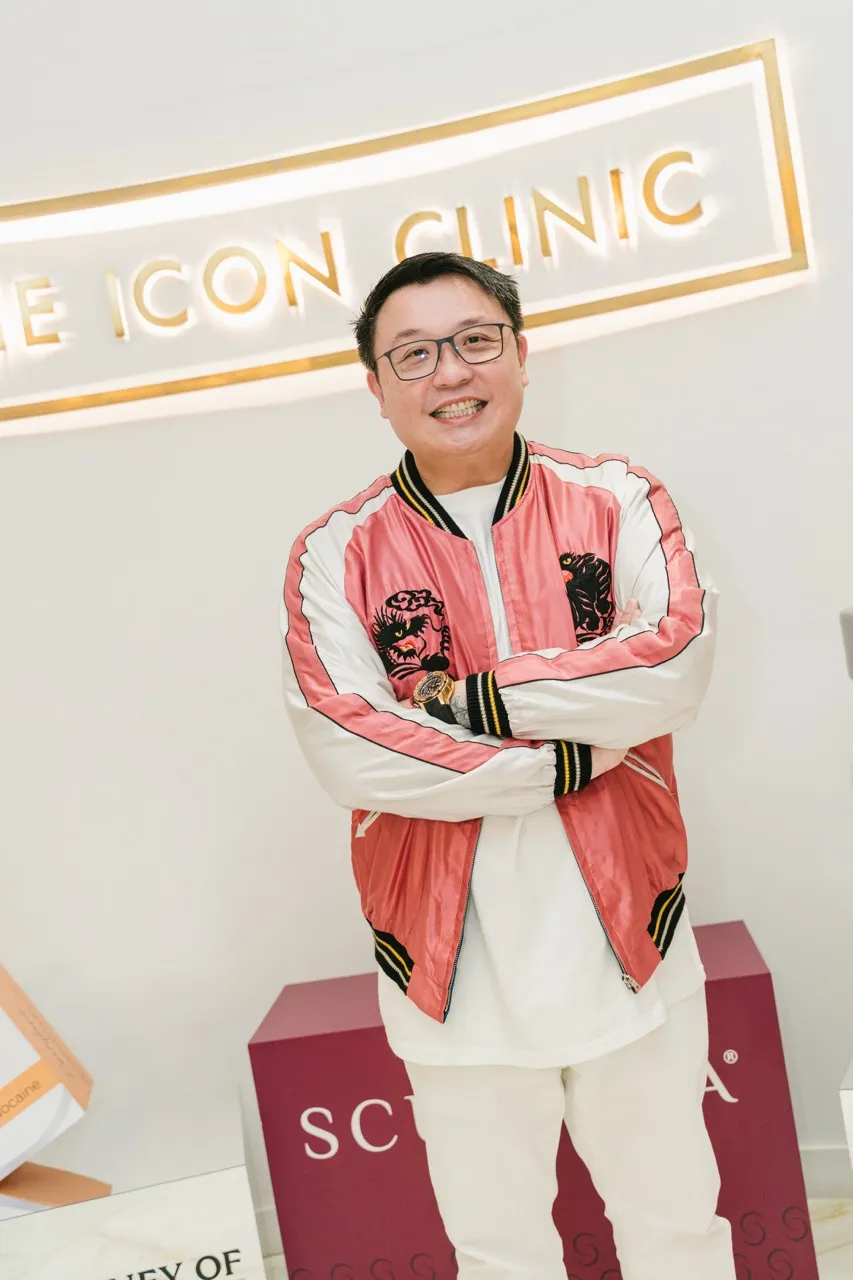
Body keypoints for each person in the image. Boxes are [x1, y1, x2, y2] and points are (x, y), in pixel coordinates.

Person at [281, 251, 733, 1280]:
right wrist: (565, 759)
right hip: (448, 972)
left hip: (633, 939)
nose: (450, 372)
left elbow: (673, 663)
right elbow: (346, 743)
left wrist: (470, 702)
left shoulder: (615, 498)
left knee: (676, 1230)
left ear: (521, 355)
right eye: (414, 354)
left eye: (475, 341)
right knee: (498, 1255)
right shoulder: (336, 552)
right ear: (376, 387)